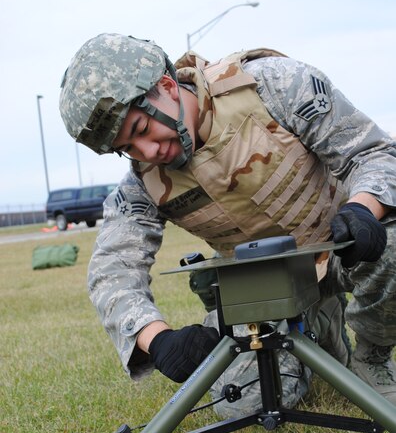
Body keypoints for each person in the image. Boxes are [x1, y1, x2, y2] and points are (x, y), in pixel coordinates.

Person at [59, 33, 396, 413]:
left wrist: (365, 209)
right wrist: (157, 339)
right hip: (264, 291)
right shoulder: (142, 183)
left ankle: (372, 357)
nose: (148, 152)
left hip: (345, 250)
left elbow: (374, 153)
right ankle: (317, 330)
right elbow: (112, 270)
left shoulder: (272, 85)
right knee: (241, 404)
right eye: (127, 149)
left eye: (140, 130)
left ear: (167, 86)